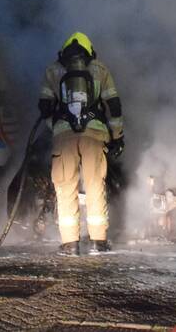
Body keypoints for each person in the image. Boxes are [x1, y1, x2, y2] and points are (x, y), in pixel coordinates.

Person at [37, 32, 124, 256]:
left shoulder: (52, 71)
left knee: (66, 188)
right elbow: (114, 106)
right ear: (89, 52)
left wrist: (57, 128)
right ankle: (98, 241)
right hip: (95, 136)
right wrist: (117, 136)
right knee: (95, 186)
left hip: (64, 138)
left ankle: (70, 244)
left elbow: (44, 107)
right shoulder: (100, 70)